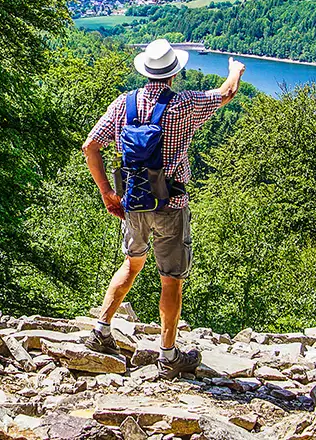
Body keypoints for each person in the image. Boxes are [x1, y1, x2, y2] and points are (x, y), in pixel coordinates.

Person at [81, 39, 244, 378]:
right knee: (171, 279)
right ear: (174, 73)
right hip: (172, 203)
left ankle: (101, 331)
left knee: (132, 263)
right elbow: (227, 93)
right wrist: (235, 70)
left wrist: (107, 193)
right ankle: (168, 356)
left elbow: (90, 147)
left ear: (146, 71)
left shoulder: (123, 104)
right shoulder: (184, 104)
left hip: (134, 202)